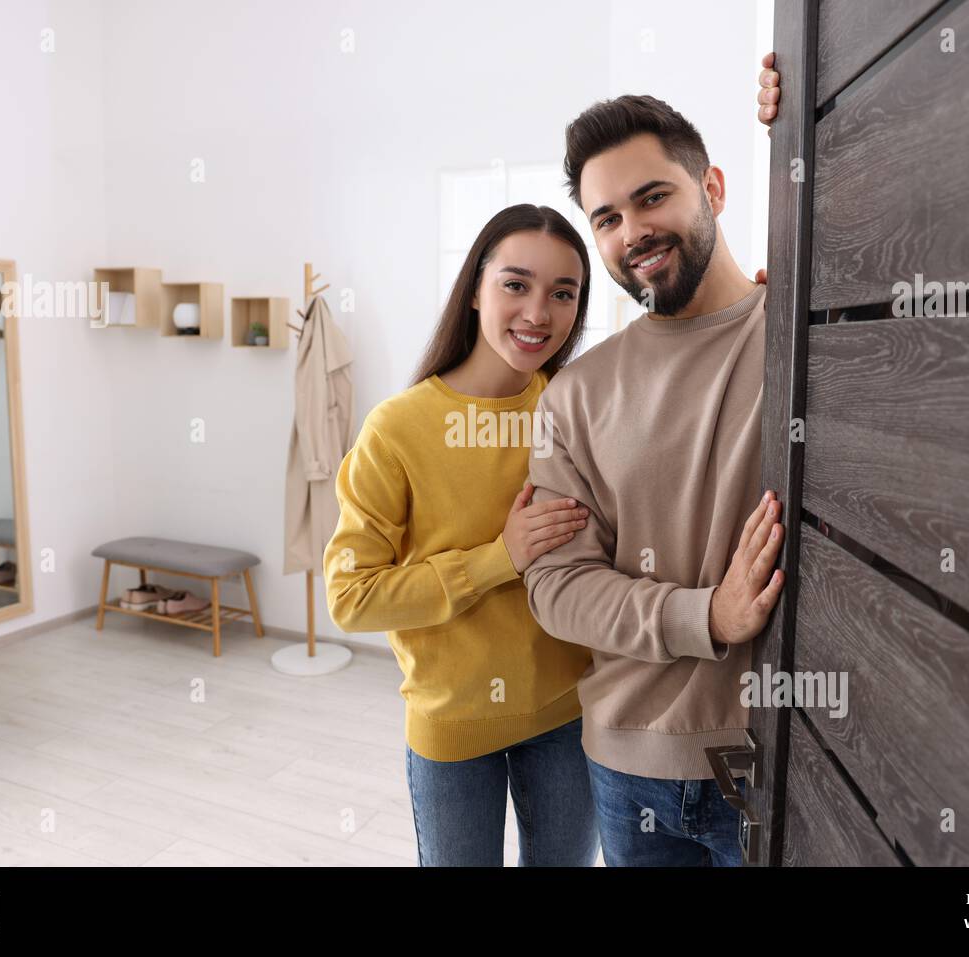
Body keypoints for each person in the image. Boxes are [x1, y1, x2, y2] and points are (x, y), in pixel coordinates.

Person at [521, 81, 787, 866]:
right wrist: (708, 615)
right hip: (625, 770)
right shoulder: (577, 392)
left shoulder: (806, 334)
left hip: (774, 759)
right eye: (606, 218)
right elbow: (557, 587)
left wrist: (805, 97)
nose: (632, 232)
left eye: (651, 198)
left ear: (713, 188)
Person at [323, 204, 600, 866]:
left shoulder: (577, 407)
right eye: (516, 284)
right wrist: (499, 558)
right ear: (474, 290)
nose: (539, 312)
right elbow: (350, 597)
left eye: (564, 292)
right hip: (452, 728)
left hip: (570, 716)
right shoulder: (398, 428)